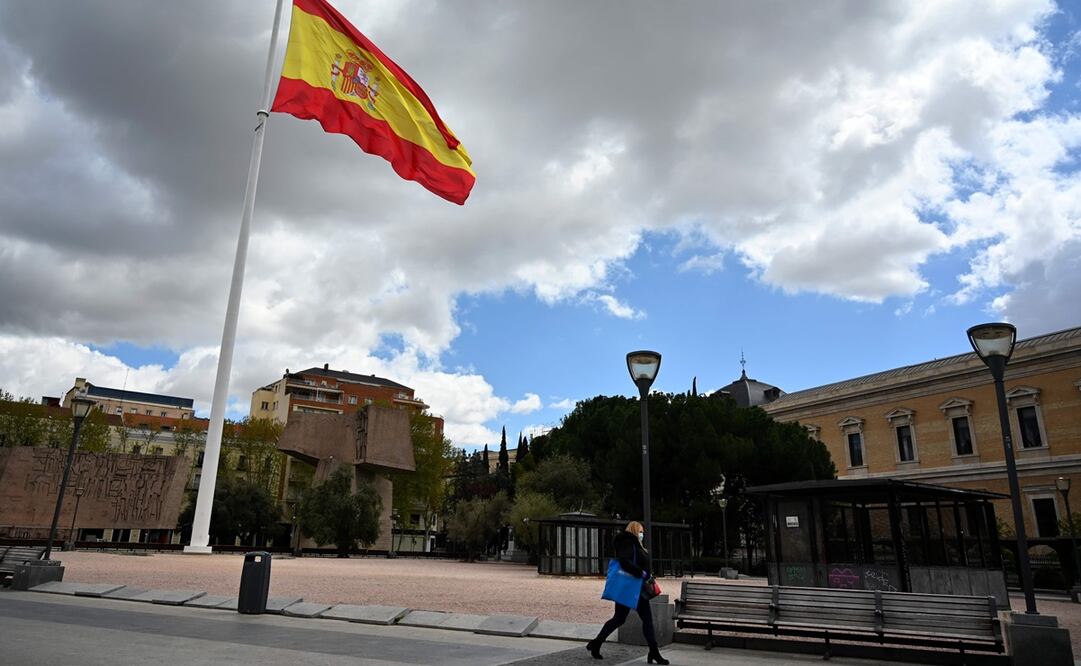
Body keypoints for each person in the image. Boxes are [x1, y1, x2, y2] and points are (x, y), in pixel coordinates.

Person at [586, 521, 669, 664]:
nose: (642, 534)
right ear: (635, 531)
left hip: (635, 588)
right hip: (632, 588)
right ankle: (653, 652)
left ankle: (597, 643)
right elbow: (624, 562)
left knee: (622, 618)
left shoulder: (635, 545)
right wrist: (641, 573)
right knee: (632, 619)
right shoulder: (628, 543)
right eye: (641, 531)